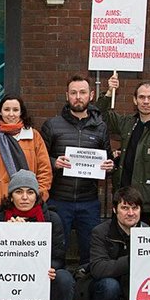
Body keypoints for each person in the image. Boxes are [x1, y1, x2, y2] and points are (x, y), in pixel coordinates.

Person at [0, 169, 74, 300]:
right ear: (11, 196)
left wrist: (48, 268)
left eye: (30, 192)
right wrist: (9, 234)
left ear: (37, 195)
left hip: (43, 275)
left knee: (64, 278)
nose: (25, 197)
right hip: (11, 277)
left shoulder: (52, 219)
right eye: (19, 192)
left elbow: (59, 256)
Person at [40, 75, 114, 267]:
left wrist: (109, 167)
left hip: (88, 202)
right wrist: (54, 162)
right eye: (73, 93)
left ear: (91, 95)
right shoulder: (52, 125)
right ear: (67, 96)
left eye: (82, 92)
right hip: (58, 201)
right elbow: (37, 160)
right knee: (55, 254)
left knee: (91, 255)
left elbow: (108, 162)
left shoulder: (100, 127)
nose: (78, 97)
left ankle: (86, 290)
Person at [99, 78, 150, 227]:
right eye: (142, 97)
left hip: (147, 205)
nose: (146, 101)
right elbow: (100, 114)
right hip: (123, 201)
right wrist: (109, 91)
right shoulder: (128, 123)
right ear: (135, 100)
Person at [0, 95, 53, 217]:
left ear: (21, 112)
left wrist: (40, 193)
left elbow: (44, 169)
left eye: (15, 110)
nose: (11, 114)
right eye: (7, 110)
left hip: (31, 203)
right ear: (0, 112)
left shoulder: (34, 136)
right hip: (0, 202)